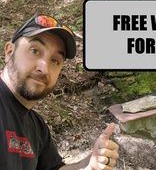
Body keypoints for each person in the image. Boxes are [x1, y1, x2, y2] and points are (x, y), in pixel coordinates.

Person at [0, 12, 119, 170]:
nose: (44, 68)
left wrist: (91, 163)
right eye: (35, 51)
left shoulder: (37, 126)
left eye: (55, 60)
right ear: (9, 52)